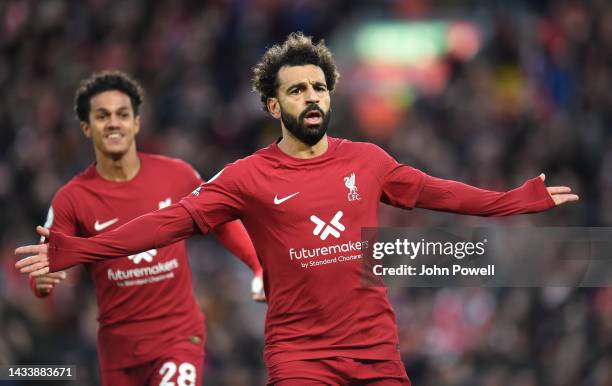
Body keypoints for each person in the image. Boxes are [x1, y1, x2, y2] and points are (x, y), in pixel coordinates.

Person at [16, 34, 579, 385]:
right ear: (272, 103)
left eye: (319, 87)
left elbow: (443, 192)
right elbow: (164, 224)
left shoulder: (368, 160)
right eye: (296, 90)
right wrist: (78, 250)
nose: (311, 97)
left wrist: (514, 200)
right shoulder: (245, 177)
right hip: (301, 357)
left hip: (376, 351)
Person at [25, 70, 265, 386]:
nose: (114, 123)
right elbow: (45, 267)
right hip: (119, 350)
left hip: (178, 336)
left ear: (136, 122)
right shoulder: (72, 199)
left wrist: (258, 266)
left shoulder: (177, 175)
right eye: (102, 115)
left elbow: (221, 220)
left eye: (123, 114)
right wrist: (42, 284)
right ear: (86, 127)